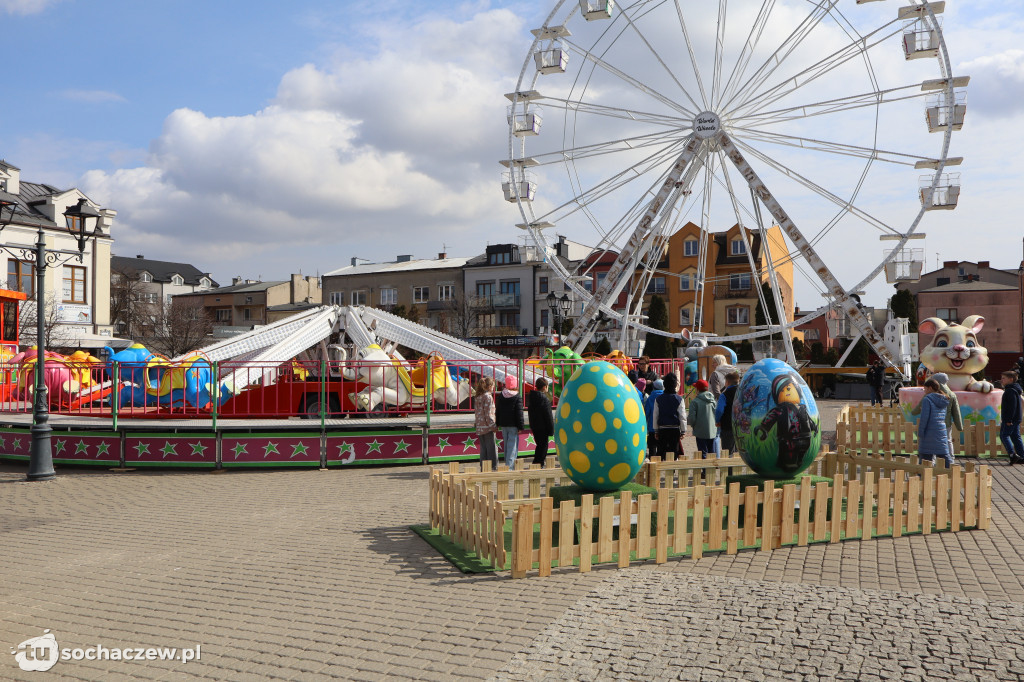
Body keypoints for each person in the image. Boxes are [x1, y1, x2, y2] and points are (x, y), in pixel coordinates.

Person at [754, 373, 819, 475]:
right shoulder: (781, 409)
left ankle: (798, 462)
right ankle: (787, 465)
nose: (786, 393)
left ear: (797, 391)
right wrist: (764, 427)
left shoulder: (802, 408)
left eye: (788, 389)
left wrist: (814, 427)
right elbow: (771, 416)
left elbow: (807, 419)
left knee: (801, 453)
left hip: (805, 437)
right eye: (781, 391)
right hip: (788, 438)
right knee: (788, 455)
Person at [913, 373, 963, 460]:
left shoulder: (928, 396)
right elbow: (956, 412)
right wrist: (959, 426)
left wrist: (913, 412)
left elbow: (921, 410)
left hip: (932, 424)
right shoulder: (950, 395)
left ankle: (933, 460)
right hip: (946, 423)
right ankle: (951, 458)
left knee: (932, 443)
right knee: (947, 440)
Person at [916, 378, 952, 467]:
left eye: (925, 389)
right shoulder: (944, 399)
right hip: (941, 430)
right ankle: (951, 471)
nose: (924, 391)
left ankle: (923, 474)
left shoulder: (927, 399)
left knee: (925, 456)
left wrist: (920, 432)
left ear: (930, 388)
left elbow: (924, 418)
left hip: (929, 431)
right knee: (943, 455)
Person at [652, 373, 686, 460]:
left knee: (661, 452)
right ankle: (672, 467)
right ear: (675, 385)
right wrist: (683, 430)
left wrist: (656, 430)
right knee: (674, 452)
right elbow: (682, 416)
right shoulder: (679, 399)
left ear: (664, 384)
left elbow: (655, 415)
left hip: (662, 429)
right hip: (674, 429)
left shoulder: (658, 399)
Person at [495, 375, 525, 470]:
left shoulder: (502, 395)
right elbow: (519, 413)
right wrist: (520, 426)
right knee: (512, 446)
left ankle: (507, 463)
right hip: (513, 425)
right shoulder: (517, 396)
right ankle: (510, 467)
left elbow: (498, 410)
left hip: (504, 424)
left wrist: (497, 423)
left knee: (507, 445)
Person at [527, 378, 555, 467]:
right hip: (543, 427)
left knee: (539, 445)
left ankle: (537, 463)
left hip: (535, 426)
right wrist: (551, 429)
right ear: (544, 387)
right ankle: (538, 463)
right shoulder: (544, 399)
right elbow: (548, 415)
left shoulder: (532, 397)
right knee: (543, 447)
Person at [999, 370, 1024, 465]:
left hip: (1011, 419)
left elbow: (1012, 407)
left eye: (1003, 378)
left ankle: (1012, 455)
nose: (1001, 380)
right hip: (1016, 418)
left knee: (1004, 435)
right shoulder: (1015, 389)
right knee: (1015, 436)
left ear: (1011, 379)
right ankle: (1022, 456)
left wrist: (1009, 419)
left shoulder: (1010, 391)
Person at [688, 379, 717, 458]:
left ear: (697, 390)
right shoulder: (712, 400)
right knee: (712, 452)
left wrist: (693, 425)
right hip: (712, 430)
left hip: (700, 430)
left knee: (702, 453)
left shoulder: (695, 402)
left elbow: (692, 417)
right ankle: (712, 465)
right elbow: (716, 414)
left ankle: (704, 466)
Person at [474, 377, 497, 470]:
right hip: (487, 427)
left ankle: (483, 467)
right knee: (491, 448)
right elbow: (489, 414)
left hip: (480, 426)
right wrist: (493, 426)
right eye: (493, 386)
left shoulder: (478, 397)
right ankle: (492, 468)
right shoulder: (488, 397)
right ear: (490, 386)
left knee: (483, 448)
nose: (493, 388)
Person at [716, 371, 740, 453]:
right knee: (739, 451)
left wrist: (717, 421)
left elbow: (719, 410)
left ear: (727, 382)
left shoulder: (724, 395)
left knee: (728, 451)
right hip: (741, 425)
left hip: (727, 425)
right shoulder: (742, 393)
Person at [644, 378, 665, 454]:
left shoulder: (650, 398)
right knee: (661, 448)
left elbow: (646, 413)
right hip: (663, 426)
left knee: (652, 447)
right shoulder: (665, 397)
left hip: (652, 427)